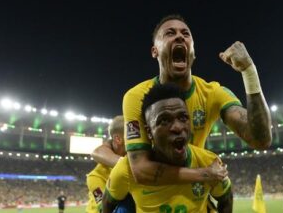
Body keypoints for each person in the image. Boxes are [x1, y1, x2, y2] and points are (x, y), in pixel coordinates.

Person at [120, 14, 272, 185]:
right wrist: (205, 174)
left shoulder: (213, 93)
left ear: (193, 51)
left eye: (186, 34)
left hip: (196, 197)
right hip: (152, 198)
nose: (179, 36)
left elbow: (261, 139)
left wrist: (249, 72)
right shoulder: (136, 97)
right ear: (154, 51)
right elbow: (141, 170)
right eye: (170, 33)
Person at [102, 84, 233, 213]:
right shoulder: (126, 170)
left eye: (183, 118)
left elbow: (226, 198)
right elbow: (107, 203)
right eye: (164, 121)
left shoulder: (210, 162)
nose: (177, 127)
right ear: (149, 132)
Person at [86, 115, 134, 213]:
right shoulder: (95, 177)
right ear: (118, 139)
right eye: (131, 135)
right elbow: (102, 207)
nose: (136, 139)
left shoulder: (134, 159)